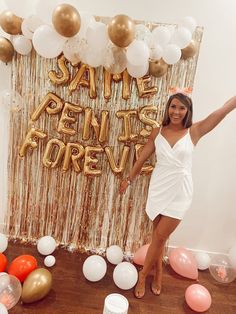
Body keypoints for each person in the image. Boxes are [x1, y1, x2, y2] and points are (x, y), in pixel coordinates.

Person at [119, 91, 236, 298]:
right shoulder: (157, 132)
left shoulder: (195, 131)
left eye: (182, 108)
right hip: (158, 189)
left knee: (160, 236)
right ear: (168, 108)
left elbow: (222, 111)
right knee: (159, 239)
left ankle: (143, 275)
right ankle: (159, 274)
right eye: (173, 106)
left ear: (187, 111)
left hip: (180, 192)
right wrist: (128, 179)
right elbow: (142, 158)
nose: (176, 111)